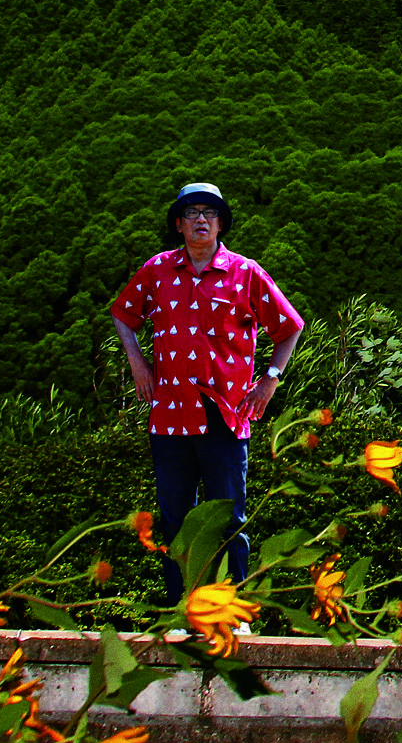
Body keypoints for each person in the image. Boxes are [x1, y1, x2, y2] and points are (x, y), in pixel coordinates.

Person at [106, 182, 304, 603]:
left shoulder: (245, 272)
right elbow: (123, 314)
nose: (201, 219)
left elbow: (289, 327)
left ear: (219, 224)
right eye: (192, 212)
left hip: (225, 415)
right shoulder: (157, 270)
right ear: (178, 225)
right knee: (175, 519)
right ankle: (184, 607)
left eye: (209, 213)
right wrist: (138, 364)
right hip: (170, 416)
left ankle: (232, 608)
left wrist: (270, 378)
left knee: (228, 517)